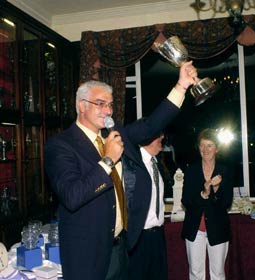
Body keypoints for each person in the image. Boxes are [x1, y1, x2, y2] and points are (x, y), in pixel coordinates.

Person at [44, 60, 197, 280]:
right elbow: (72, 196)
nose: (108, 111)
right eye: (100, 103)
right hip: (87, 256)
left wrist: (181, 86)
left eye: (110, 104)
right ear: (81, 105)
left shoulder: (113, 134)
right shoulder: (61, 145)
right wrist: (108, 160)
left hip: (120, 248)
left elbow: (151, 125)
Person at [181, 128, 234, 280]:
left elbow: (226, 203)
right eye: (202, 145)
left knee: (217, 273)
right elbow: (186, 201)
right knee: (195, 273)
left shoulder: (225, 171)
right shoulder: (191, 170)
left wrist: (216, 189)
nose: (205, 149)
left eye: (209, 145)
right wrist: (204, 194)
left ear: (217, 149)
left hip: (218, 229)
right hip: (194, 229)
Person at [128, 133, 168, 280]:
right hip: (139, 238)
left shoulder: (157, 164)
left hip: (158, 236)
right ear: (146, 138)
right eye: (158, 135)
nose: (162, 138)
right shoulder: (132, 165)